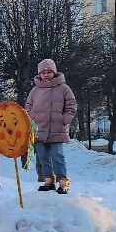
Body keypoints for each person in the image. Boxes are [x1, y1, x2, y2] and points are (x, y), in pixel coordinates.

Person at [25, 58, 78, 194]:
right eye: (43, 72)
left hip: (57, 128)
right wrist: (32, 119)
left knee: (57, 156)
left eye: (49, 71)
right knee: (43, 157)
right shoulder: (35, 90)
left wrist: (64, 119)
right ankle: (48, 181)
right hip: (39, 129)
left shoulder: (64, 88)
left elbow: (71, 105)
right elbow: (28, 106)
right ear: (39, 74)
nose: (46, 74)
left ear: (54, 72)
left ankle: (63, 182)